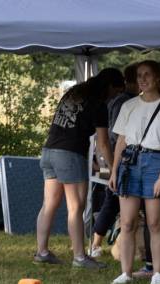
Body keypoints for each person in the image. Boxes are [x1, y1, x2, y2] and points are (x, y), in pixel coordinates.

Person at [32, 71, 114, 268]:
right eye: (117, 91)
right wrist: (113, 169)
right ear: (110, 87)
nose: (115, 96)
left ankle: (42, 252)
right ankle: (79, 257)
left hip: (49, 150)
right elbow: (103, 143)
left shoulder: (74, 92)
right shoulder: (98, 104)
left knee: (49, 204)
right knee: (76, 207)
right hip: (69, 154)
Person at [109, 61, 160, 284]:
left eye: (147, 74)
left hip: (156, 162)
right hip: (129, 163)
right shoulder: (128, 106)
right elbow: (121, 141)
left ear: (158, 78)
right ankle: (126, 273)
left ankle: (157, 273)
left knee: (155, 222)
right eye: (139, 75)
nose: (142, 79)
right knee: (127, 222)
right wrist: (114, 170)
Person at [90, 65, 139, 257]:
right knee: (112, 199)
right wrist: (114, 166)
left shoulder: (115, 100)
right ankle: (97, 243)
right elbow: (116, 136)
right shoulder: (124, 101)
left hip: (107, 157)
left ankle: (98, 242)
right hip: (116, 158)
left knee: (112, 200)